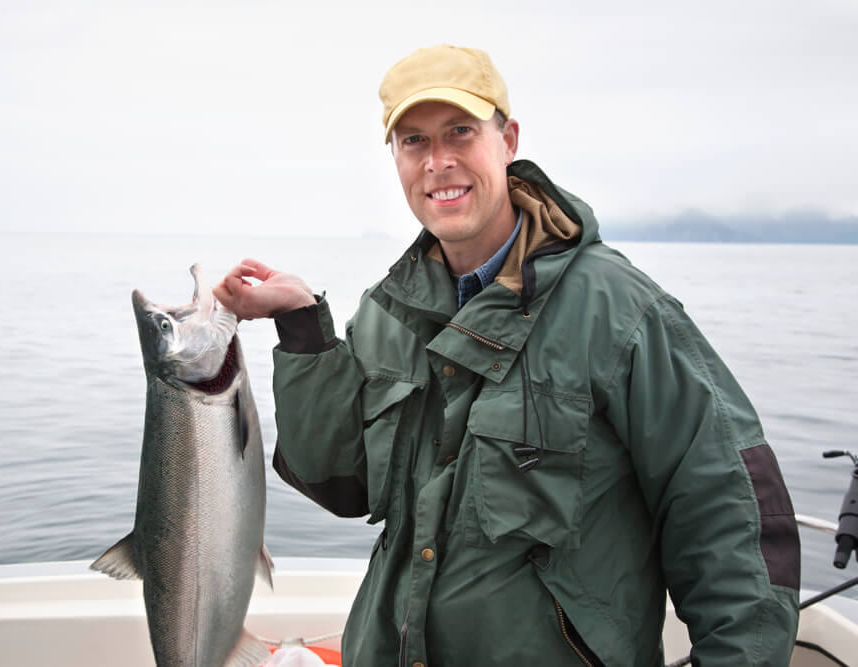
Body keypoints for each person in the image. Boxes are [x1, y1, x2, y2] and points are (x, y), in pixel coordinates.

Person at [214, 44, 800, 666]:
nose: (438, 161)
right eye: (413, 141)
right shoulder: (385, 313)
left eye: (460, 132)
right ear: (395, 159)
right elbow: (341, 485)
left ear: (507, 138)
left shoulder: (622, 311)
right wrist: (303, 327)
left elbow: (733, 518)